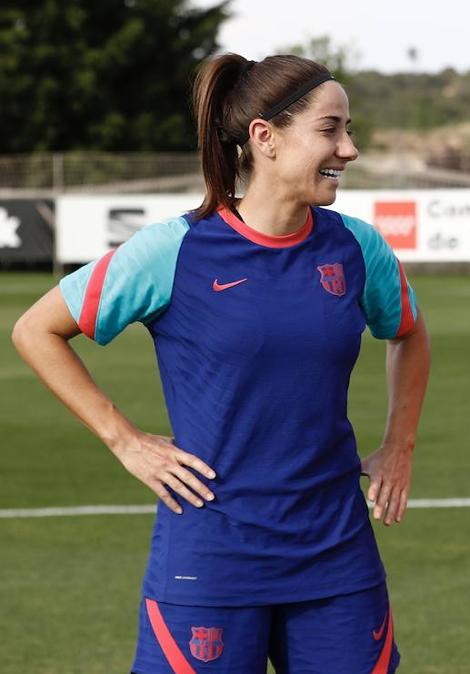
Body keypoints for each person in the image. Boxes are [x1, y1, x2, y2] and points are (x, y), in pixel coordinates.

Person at [11, 53, 430, 673]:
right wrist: (125, 440)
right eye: (331, 129)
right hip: (210, 555)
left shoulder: (356, 246)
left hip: (336, 553)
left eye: (348, 129)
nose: (350, 149)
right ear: (265, 138)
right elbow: (35, 329)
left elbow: (410, 334)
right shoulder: (174, 250)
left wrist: (401, 445)